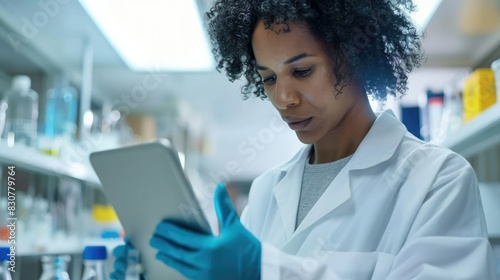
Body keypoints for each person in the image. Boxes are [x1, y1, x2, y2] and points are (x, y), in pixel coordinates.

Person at [111, 0, 498, 279]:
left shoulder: (437, 179)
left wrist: (263, 270)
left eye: (302, 70)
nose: (284, 99)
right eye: (269, 78)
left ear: (354, 55)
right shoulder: (265, 193)